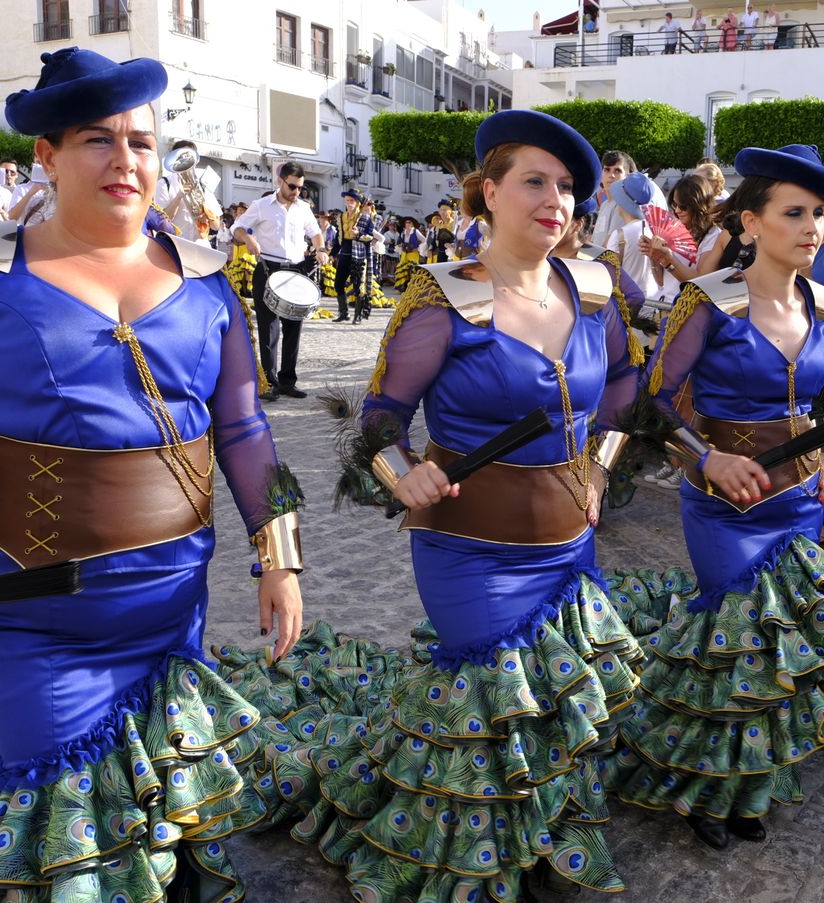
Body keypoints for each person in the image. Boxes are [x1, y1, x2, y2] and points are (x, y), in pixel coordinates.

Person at [0, 46, 304, 902]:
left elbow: (243, 426)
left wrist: (278, 557)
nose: (126, 161)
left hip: (170, 599)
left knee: (147, 785)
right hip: (26, 603)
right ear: (47, 157)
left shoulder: (210, 283)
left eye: (141, 140)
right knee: (62, 807)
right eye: (98, 139)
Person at [282, 108, 640, 902]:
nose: (557, 200)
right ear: (489, 192)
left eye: (569, 188)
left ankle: (546, 830)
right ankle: (474, 848)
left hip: (567, 543)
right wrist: (398, 468)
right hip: (468, 546)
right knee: (493, 700)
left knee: (553, 698)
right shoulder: (439, 298)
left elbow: (622, 382)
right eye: (536, 182)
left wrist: (603, 466)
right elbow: (380, 415)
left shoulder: (592, 290)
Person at [609, 143, 824, 848]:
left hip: (799, 501)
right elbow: (652, 403)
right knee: (738, 635)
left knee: (780, 642)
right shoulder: (710, 299)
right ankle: (697, 783)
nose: (812, 226)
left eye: (818, 213)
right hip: (724, 505)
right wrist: (707, 455)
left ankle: (749, 782)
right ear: (750, 223)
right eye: (793, 212)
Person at [233, 160, 329, 401]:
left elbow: (315, 233)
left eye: (300, 188)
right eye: (293, 186)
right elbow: (237, 228)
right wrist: (249, 239)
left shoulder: (303, 208)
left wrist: (321, 249)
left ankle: (288, 381)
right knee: (269, 328)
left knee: (294, 328)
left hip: (296, 270)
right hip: (268, 269)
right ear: (280, 180)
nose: (296, 192)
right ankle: (269, 382)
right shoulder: (262, 205)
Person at [607, 171, 664, 304]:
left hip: (627, 305)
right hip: (653, 303)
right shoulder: (655, 231)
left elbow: (610, 276)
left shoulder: (619, 236)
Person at [154, 138, 221, 243]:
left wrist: (208, 217)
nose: (186, 161)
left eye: (190, 157)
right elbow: (162, 222)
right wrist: (179, 196)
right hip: (175, 244)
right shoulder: (164, 184)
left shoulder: (203, 184)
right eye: (182, 157)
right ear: (175, 159)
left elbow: (217, 226)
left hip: (200, 245)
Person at [332, 187, 378, 322]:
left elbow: (370, 237)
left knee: (359, 286)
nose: (349, 203)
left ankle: (358, 315)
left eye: (352, 200)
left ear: (358, 202)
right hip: (344, 253)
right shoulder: (342, 217)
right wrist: (332, 254)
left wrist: (358, 234)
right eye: (347, 200)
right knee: (338, 284)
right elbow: (338, 238)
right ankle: (343, 312)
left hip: (358, 254)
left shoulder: (366, 217)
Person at [393, 214, 423, 291]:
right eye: (406, 222)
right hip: (404, 254)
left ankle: (413, 288)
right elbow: (399, 243)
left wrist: (418, 249)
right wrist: (400, 246)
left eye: (409, 222)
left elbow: (425, 241)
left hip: (413, 254)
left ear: (412, 224)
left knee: (412, 269)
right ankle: (402, 287)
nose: (408, 224)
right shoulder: (403, 233)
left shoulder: (416, 231)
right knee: (403, 270)